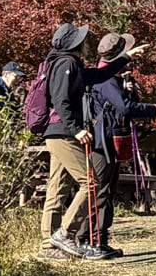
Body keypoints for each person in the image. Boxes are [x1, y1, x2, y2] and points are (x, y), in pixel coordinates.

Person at [38, 24, 130, 259]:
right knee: (90, 182)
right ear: (75, 43)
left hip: (58, 132)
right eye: (83, 39)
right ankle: (65, 234)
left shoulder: (67, 63)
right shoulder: (66, 64)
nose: (87, 42)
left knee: (57, 190)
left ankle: (49, 248)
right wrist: (77, 129)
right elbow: (60, 100)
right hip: (63, 133)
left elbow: (98, 75)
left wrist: (125, 58)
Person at [74, 33, 156, 255]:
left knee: (104, 190)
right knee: (100, 190)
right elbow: (125, 109)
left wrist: (129, 91)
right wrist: (153, 109)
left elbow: (123, 105)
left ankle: (95, 239)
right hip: (103, 142)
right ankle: (91, 240)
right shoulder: (106, 79)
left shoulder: (105, 75)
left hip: (104, 139)